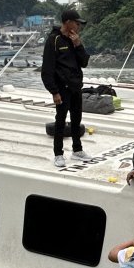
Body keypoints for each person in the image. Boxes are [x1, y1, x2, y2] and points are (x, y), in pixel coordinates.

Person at [41, 9, 91, 167]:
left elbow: (84, 62)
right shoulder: (53, 40)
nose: (79, 27)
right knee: (60, 121)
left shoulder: (74, 40)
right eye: (77, 23)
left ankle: (77, 150)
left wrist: (78, 45)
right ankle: (58, 154)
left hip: (76, 87)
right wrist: (54, 91)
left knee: (76, 120)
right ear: (68, 22)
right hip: (62, 89)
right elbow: (47, 70)